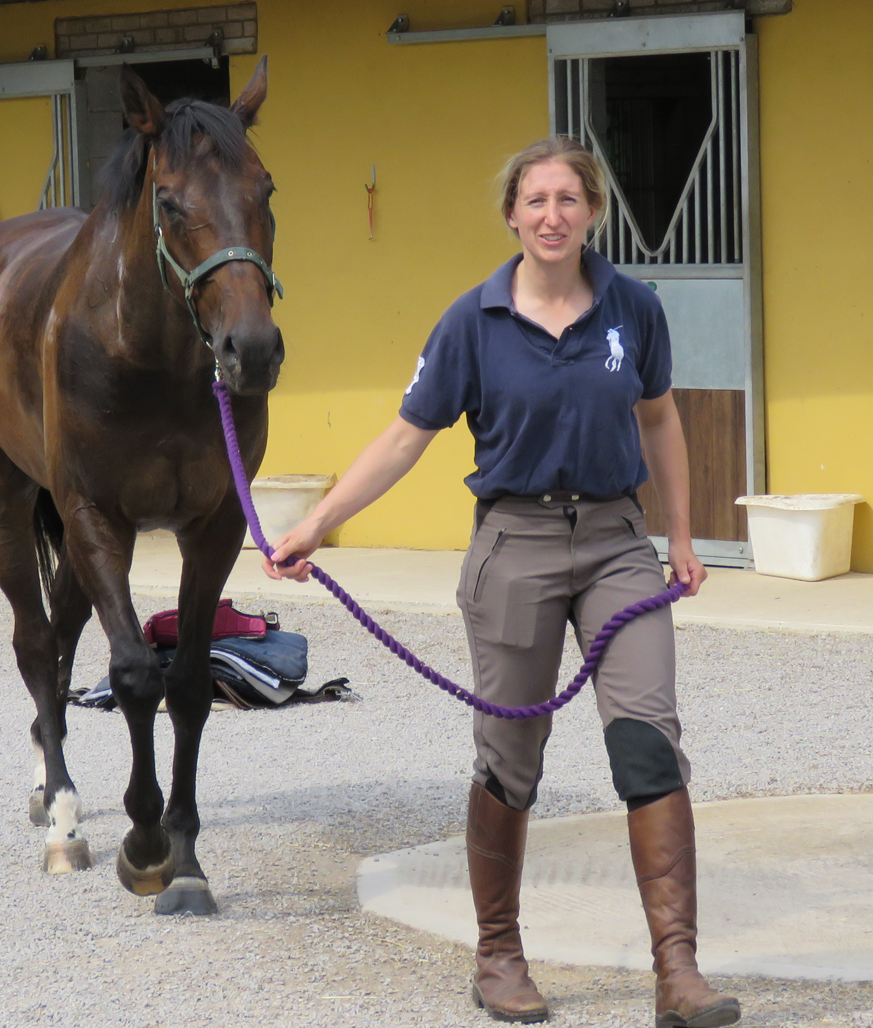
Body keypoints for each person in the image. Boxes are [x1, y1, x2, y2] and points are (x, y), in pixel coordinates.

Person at [262, 137, 740, 1028]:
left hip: (615, 544)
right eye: (536, 201)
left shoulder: (632, 308)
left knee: (647, 743)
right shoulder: (470, 323)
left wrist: (681, 535)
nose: (553, 215)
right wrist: (317, 523)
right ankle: (499, 956)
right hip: (513, 542)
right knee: (510, 757)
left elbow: (661, 417)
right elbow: (406, 437)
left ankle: (678, 969)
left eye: (569, 199)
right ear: (512, 216)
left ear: (592, 211)